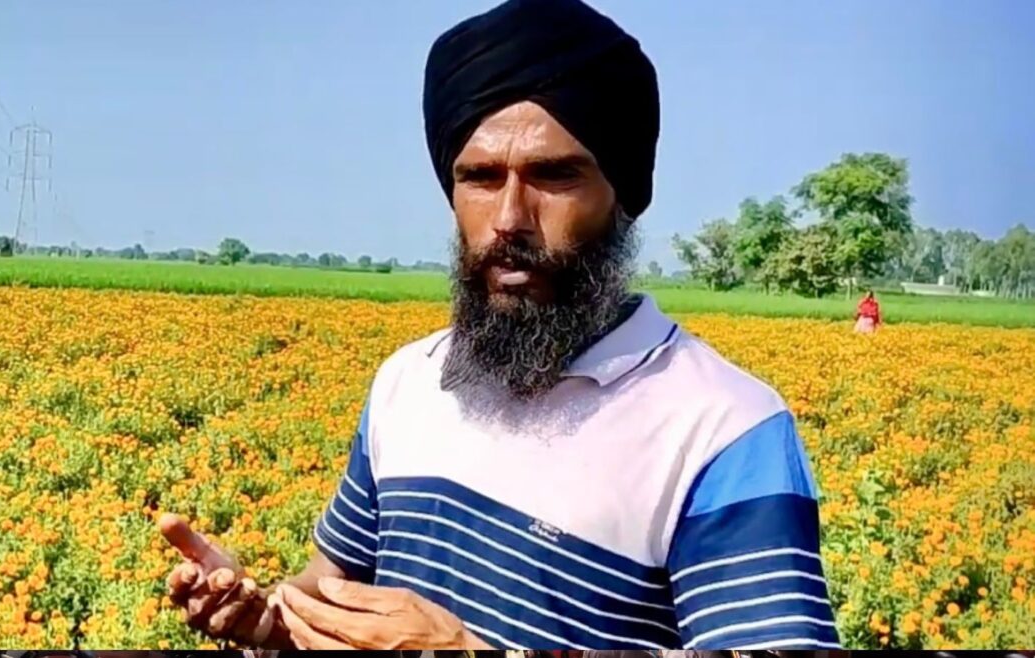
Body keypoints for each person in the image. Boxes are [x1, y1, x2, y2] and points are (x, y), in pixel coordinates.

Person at [161, 0, 840, 650]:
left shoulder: (723, 429)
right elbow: (334, 587)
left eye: (553, 175)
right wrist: (270, 620)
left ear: (623, 196)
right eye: (480, 178)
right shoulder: (407, 385)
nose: (511, 218)